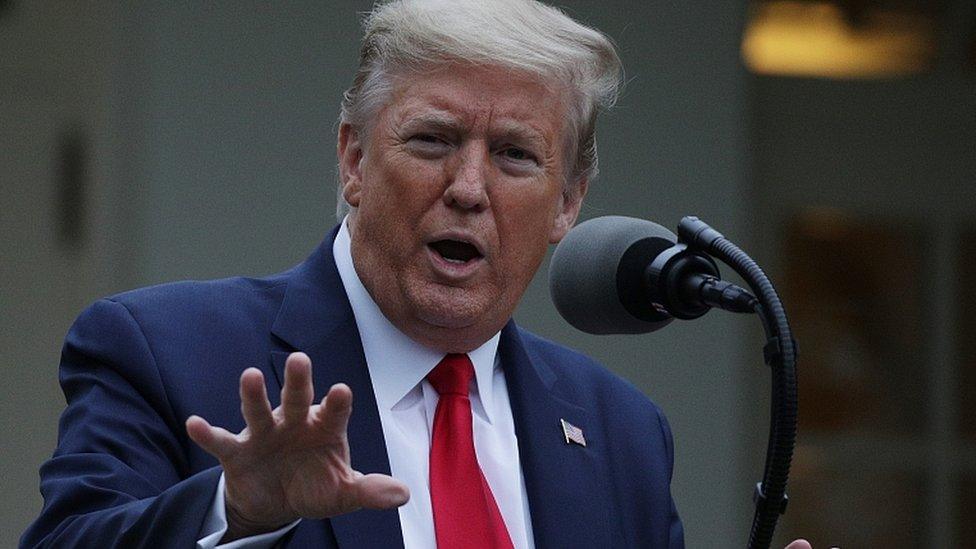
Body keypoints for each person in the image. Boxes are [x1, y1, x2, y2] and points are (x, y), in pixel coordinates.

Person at [22, 1, 813, 548]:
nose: (469, 187)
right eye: (433, 140)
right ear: (354, 158)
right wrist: (236, 510)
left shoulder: (622, 434)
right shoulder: (164, 351)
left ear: (568, 200)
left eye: (514, 155)